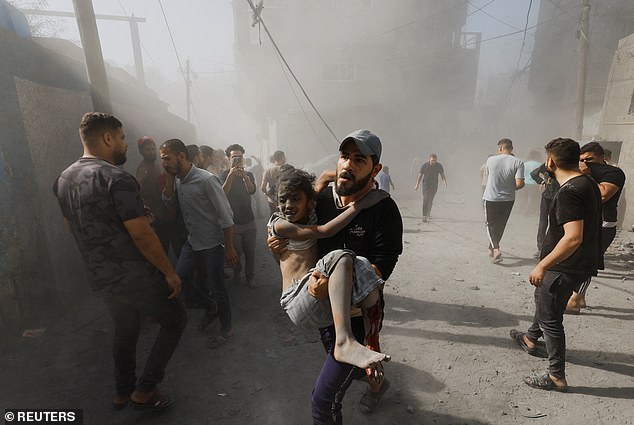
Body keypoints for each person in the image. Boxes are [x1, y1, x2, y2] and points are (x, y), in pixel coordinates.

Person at [54, 113, 186, 410]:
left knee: (126, 327)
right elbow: (141, 234)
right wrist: (169, 272)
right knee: (176, 319)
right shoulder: (116, 177)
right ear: (108, 138)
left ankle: (122, 391)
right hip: (135, 275)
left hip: (101, 278)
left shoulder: (63, 180)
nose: (126, 144)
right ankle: (146, 389)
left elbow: (72, 228)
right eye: (123, 137)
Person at [270, 129, 403, 424]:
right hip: (323, 309)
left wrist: (333, 287)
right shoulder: (321, 202)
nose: (348, 164)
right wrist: (277, 244)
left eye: (359, 159)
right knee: (356, 367)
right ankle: (374, 380)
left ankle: (369, 377)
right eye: (344, 156)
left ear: (375, 169)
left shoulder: (383, 208)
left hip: (357, 313)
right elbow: (296, 238)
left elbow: (384, 265)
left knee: (323, 400)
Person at [268, 167, 390, 369]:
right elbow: (325, 231)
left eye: (295, 199)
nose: (287, 206)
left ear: (311, 201)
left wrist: (363, 182)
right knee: (340, 257)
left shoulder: (309, 206)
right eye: (282, 200)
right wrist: (360, 205)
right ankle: (344, 342)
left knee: (361, 264)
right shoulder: (280, 225)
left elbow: (324, 176)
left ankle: (370, 334)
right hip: (298, 300)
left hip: (321, 300)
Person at [510, 138, 602, 392]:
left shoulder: (570, 191)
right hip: (577, 264)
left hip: (565, 265)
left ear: (550, 161)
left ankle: (555, 376)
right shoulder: (587, 183)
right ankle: (530, 338)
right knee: (545, 301)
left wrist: (543, 265)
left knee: (551, 316)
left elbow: (573, 237)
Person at [160, 139, 238, 347]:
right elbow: (168, 202)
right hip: (192, 241)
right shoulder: (178, 180)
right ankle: (210, 308)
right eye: (162, 159)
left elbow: (226, 215)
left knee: (217, 287)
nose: (164, 163)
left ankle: (226, 328)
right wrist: (169, 177)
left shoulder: (206, 180)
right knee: (181, 278)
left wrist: (229, 247)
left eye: (167, 158)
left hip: (213, 243)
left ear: (182, 156)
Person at [566, 141, 626, 313]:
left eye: (590, 159)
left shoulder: (614, 173)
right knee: (580, 259)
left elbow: (603, 195)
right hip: (585, 222)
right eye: (582, 160)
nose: (585, 164)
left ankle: (576, 300)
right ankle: (580, 297)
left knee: (587, 261)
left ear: (602, 158)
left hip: (604, 225)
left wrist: (586, 176)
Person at [219, 144, 258, 288]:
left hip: (249, 220)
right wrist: (230, 175)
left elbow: (252, 191)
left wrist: (245, 179)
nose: (237, 160)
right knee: (236, 253)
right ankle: (237, 272)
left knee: (250, 252)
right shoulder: (223, 175)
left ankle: (250, 277)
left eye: (239, 157)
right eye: (234, 157)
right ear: (228, 159)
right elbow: (222, 194)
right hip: (232, 223)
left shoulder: (249, 175)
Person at [482, 139, 525, 263]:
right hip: (508, 199)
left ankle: (496, 249)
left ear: (500, 148)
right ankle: (491, 247)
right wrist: (511, 186)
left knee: (490, 224)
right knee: (501, 224)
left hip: (491, 197)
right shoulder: (519, 162)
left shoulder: (490, 160)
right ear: (511, 148)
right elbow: (520, 184)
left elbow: (489, 176)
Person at [531, 162, 561, 258]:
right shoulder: (564, 163)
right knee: (554, 222)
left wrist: (541, 181)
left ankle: (541, 248)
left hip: (548, 196)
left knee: (544, 222)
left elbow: (534, 173)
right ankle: (548, 248)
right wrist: (541, 181)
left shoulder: (548, 164)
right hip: (558, 197)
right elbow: (533, 173)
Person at [414, 153, 446, 222]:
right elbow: (420, 175)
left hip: (434, 186)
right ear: (429, 159)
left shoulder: (439, 166)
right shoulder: (425, 166)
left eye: (435, 161)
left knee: (430, 200)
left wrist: (444, 182)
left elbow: (442, 174)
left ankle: (428, 213)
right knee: (425, 199)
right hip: (426, 186)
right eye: (432, 161)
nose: (433, 162)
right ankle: (424, 216)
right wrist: (417, 185)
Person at [261, 150, 286, 215]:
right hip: (284, 200)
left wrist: (272, 198)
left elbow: (263, 188)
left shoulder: (268, 170)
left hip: (272, 201)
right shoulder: (286, 170)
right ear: (282, 157)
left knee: (274, 218)